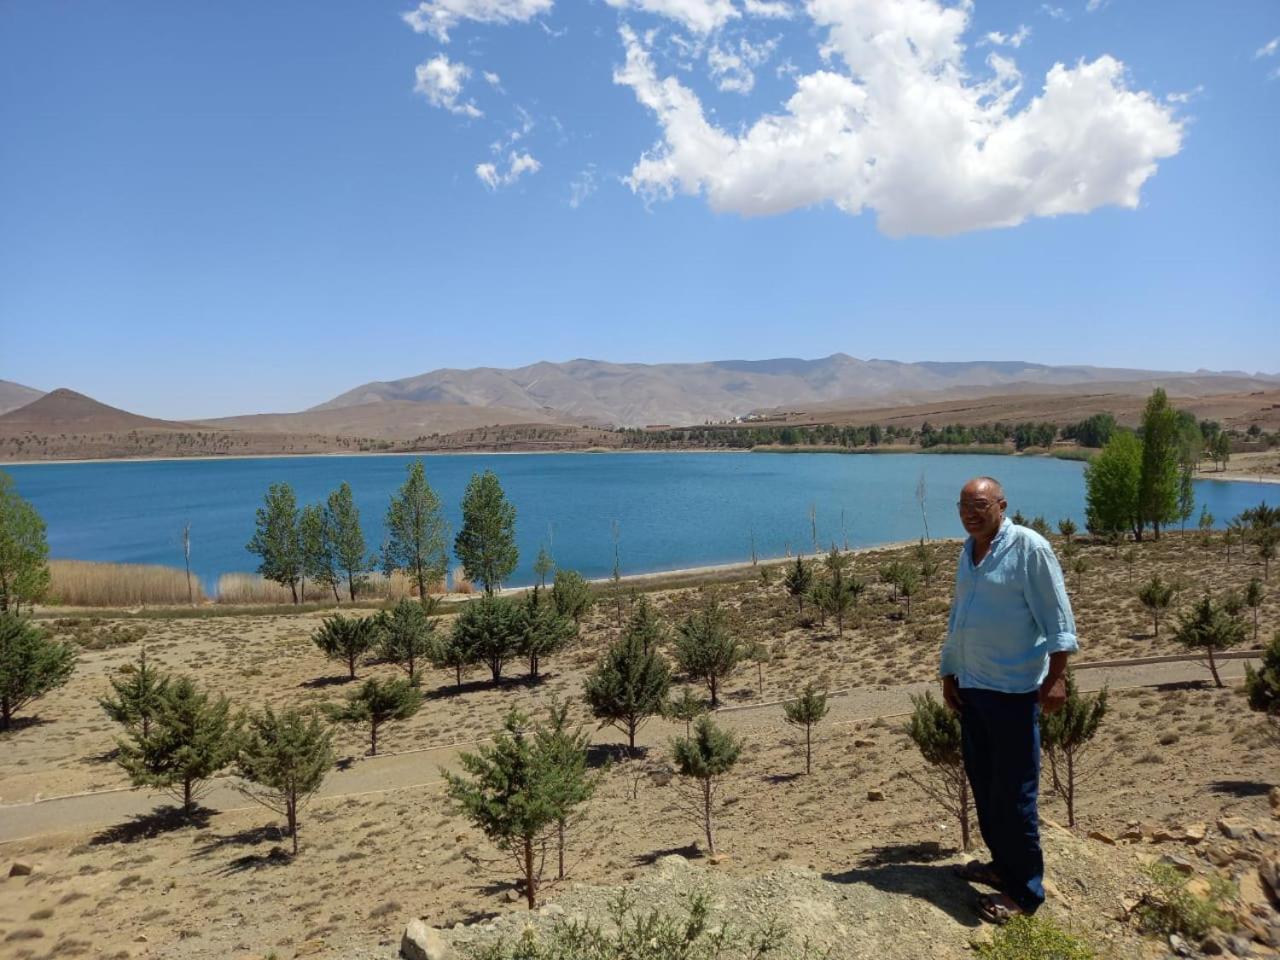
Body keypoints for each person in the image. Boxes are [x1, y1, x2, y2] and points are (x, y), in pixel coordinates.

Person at [939, 476, 1077, 924]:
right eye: (963, 505)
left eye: (978, 504)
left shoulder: (1030, 549)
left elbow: (1058, 621)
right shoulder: (969, 551)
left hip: (1014, 693)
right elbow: (959, 618)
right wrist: (949, 672)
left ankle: (1025, 894)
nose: (969, 512)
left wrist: (1056, 679)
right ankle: (1002, 866)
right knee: (986, 785)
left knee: (1016, 794)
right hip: (974, 687)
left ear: (1001, 505)